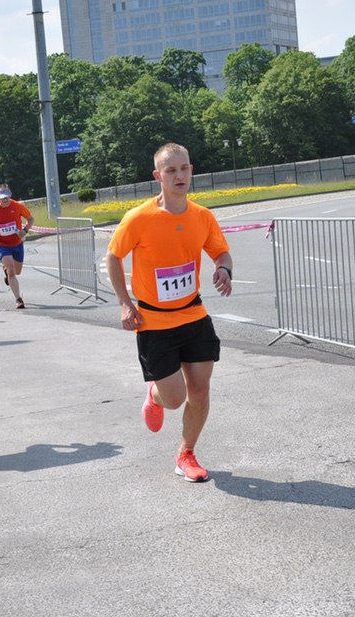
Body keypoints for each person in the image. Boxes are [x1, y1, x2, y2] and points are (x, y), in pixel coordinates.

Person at [105, 143, 233, 483]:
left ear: (192, 170)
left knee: (200, 391)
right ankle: (154, 396)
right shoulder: (139, 218)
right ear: (157, 176)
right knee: (175, 399)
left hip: (194, 315)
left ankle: (186, 454)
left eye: (184, 168)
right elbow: (113, 256)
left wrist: (224, 269)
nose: (179, 175)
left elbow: (221, 253)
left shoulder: (202, 216)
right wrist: (125, 303)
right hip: (154, 322)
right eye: (171, 170)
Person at [0, 184, 33, 309]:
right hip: (2, 243)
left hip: (17, 243)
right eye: (2, 198)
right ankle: (18, 299)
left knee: (17, 271)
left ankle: (7, 272)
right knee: (12, 272)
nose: (5, 200)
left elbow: (30, 219)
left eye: (7, 197)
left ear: (10, 195)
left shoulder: (18, 206)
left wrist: (25, 230)